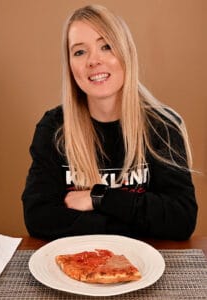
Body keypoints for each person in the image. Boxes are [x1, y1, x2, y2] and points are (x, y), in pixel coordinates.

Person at [22, 4, 197, 240]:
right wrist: (130, 219)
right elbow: (38, 218)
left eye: (106, 46)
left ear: (126, 53)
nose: (94, 61)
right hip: (79, 263)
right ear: (71, 66)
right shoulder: (53, 128)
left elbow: (181, 220)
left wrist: (100, 197)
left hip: (146, 264)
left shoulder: (164, 126)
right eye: (79, 52)